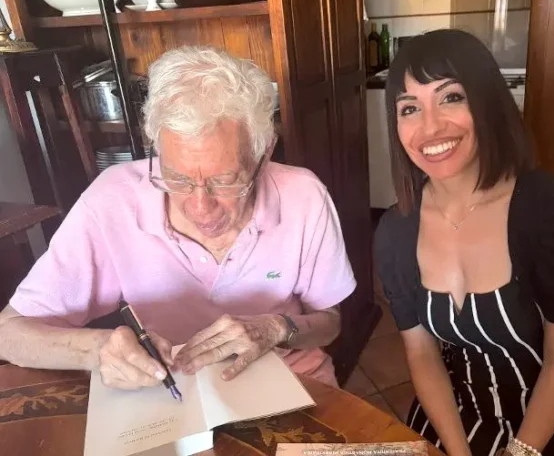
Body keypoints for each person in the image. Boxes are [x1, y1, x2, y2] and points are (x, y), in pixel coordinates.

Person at [0, 46, 355, 390]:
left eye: (224, 181)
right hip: (171, 392)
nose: (200, 207)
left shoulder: (303, 195)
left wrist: (278, 329)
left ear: (264, 153)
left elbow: (330, 323)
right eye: (178, 179)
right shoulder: (113, 200)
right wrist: (98, 349)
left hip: (291, 379)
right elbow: (9, 334)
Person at [375, 30, 554, 456]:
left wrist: (519, 451)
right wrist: (458, 450)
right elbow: (422, 352)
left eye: (451, 97)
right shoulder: (395, 232)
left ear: (486, 102)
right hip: (456, 413)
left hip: (553, 418)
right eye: (410, 108)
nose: (430, 126)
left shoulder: (546, 210)